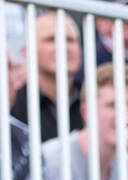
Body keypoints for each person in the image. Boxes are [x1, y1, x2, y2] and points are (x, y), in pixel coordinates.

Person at [10, 11, 83, 143]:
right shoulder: (12, 105)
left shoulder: (96, 99)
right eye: (52, 39)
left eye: (70, 40)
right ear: (26, 51)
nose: (64, 47)